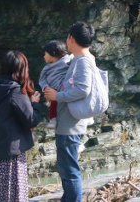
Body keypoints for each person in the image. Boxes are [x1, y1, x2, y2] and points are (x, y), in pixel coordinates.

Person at [42, 22, 98, 202]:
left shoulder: (82, 61)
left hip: (70, 125)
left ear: (71, 39)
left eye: (67, 37)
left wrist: (58, 96)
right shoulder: (79, 59)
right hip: (68, 122)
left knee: (69, 170)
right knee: (66, 168)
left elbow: (83, 89)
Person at [0, 51, 43, 201]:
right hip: (11, 155)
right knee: (14, 196)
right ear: (21, 70)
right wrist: (35, 104)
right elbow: (31, 119)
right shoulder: (15, 92)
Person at [38, 40, 72, 131]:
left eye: (45, 53)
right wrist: (45, 87)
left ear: (52, 53)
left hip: (65, 89)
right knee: (53, 104)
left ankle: (87, 116)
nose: (44, 56)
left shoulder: (68, 60)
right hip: (52, 90)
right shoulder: (47, 67)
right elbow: (42, 79)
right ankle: (53, 120)